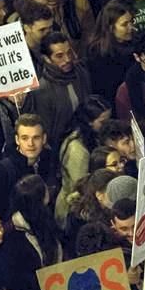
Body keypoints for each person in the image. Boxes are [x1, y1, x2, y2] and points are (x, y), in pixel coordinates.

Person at [0, 114, 58, 221]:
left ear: (44, 138)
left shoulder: (49, 159)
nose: (30, 143)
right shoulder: (1, 172)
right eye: (25, 138)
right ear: (17, 140)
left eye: (36, 138)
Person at [26, 32, 92, 151]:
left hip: (88, 138)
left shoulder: (81, 73)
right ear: (47, 58)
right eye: (59, 56)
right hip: (62, 149)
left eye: (69, 53)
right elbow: (47, 130)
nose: (67, 59)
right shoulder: (42, 89)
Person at [57, 96, 113, 226]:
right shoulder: (78, 150)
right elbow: (80, 187)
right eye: (103, 122)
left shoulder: (90, 136)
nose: (107, 125)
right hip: (73, 211)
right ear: (89, 122)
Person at [86, 0, 136, 102]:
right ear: (110, 28)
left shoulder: (135, 42)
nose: (131, 27)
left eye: (131, 22)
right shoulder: (97, 53)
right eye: (125, 24)